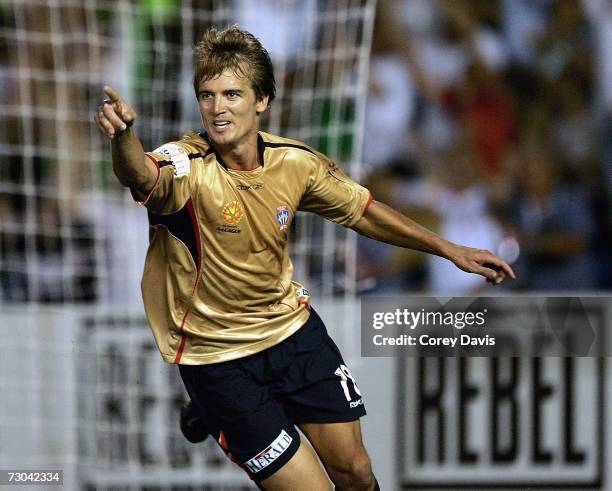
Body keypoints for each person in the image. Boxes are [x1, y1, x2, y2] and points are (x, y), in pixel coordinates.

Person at [94, 26, 515, 491]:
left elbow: (363, 211)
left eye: (232, 93)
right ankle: (216, 410)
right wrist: (124, 139)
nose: (217, 108)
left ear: (262, 101)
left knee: (354, 470)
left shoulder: (295, 164)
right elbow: (140, 172)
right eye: (207, 95)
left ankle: (213, 415)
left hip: (292, 336)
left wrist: (450, 249)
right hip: (218, 357)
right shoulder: (187, 166)